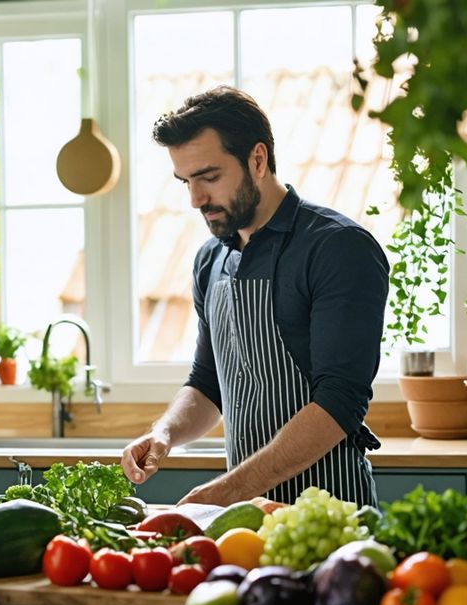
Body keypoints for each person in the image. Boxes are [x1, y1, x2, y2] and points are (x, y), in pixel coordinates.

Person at [121, 86, 388, 507]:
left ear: (258, 160)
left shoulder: (338, 248)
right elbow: (208, 384)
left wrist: (225, 491)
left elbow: (339, 404)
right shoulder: (210, 260)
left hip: (331, 517)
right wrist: (165, 432)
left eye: (209, 177)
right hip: (247, 523)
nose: (195, 199)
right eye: (186, 181)